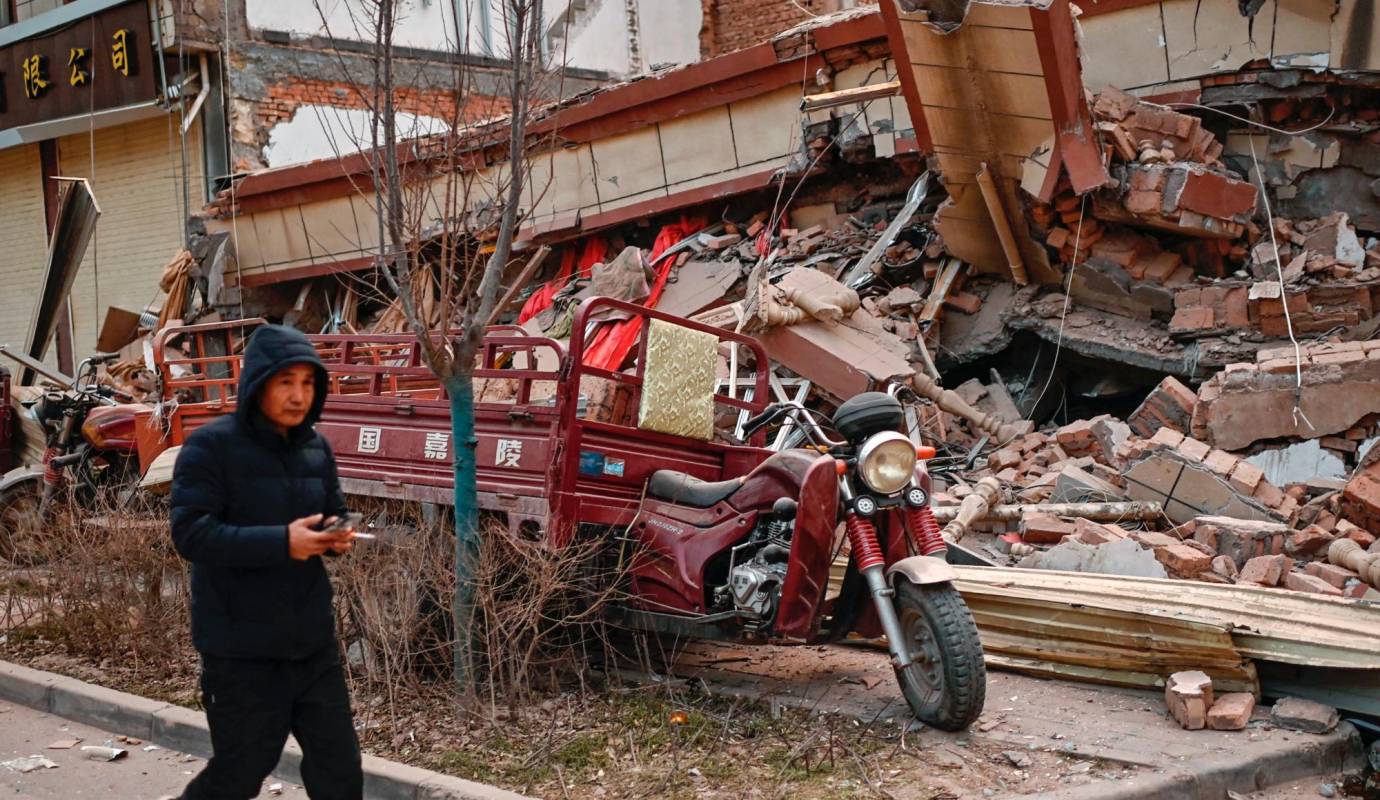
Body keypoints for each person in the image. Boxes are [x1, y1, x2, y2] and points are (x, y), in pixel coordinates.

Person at [170, 324, 363, 800]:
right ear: (258, 382)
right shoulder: (209, 446)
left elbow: (333, 507)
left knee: (340, 770)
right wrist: (282, 543)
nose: (299, 395)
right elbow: (192, 534)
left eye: (308, 383)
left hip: (311, 643)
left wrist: (337, 533)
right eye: (285, 382)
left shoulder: (316, 447)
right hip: (242, 649)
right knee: (240, 770)